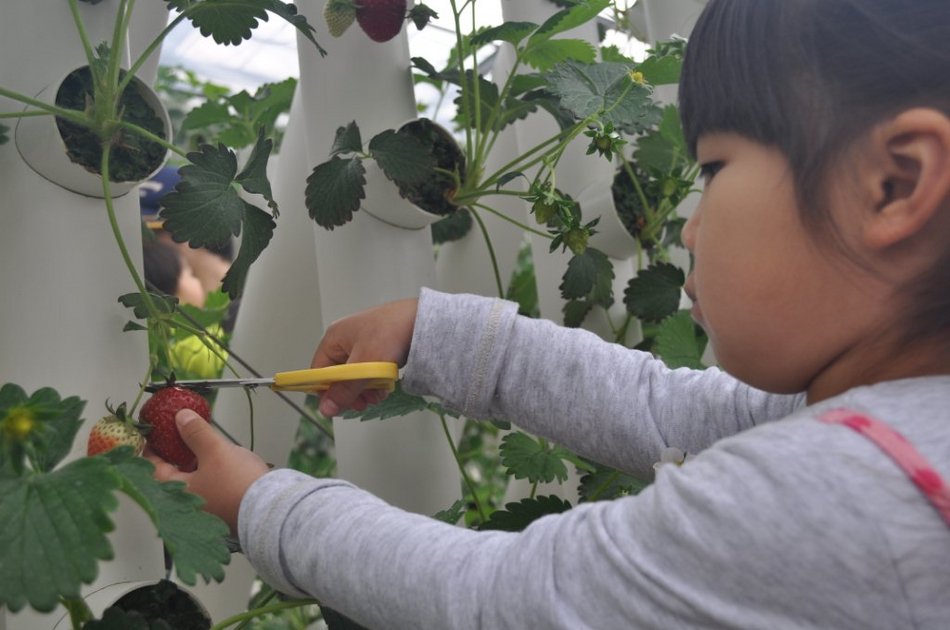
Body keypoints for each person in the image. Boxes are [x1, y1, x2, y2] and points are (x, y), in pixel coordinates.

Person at [149, 1, 950, 627]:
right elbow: (664, 406)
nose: (691, 225)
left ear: (894, 184)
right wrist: (443, 335)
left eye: (714, 167)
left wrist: (262, 506)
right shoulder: (887, 434)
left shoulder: (835, 501)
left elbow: (498, 599)